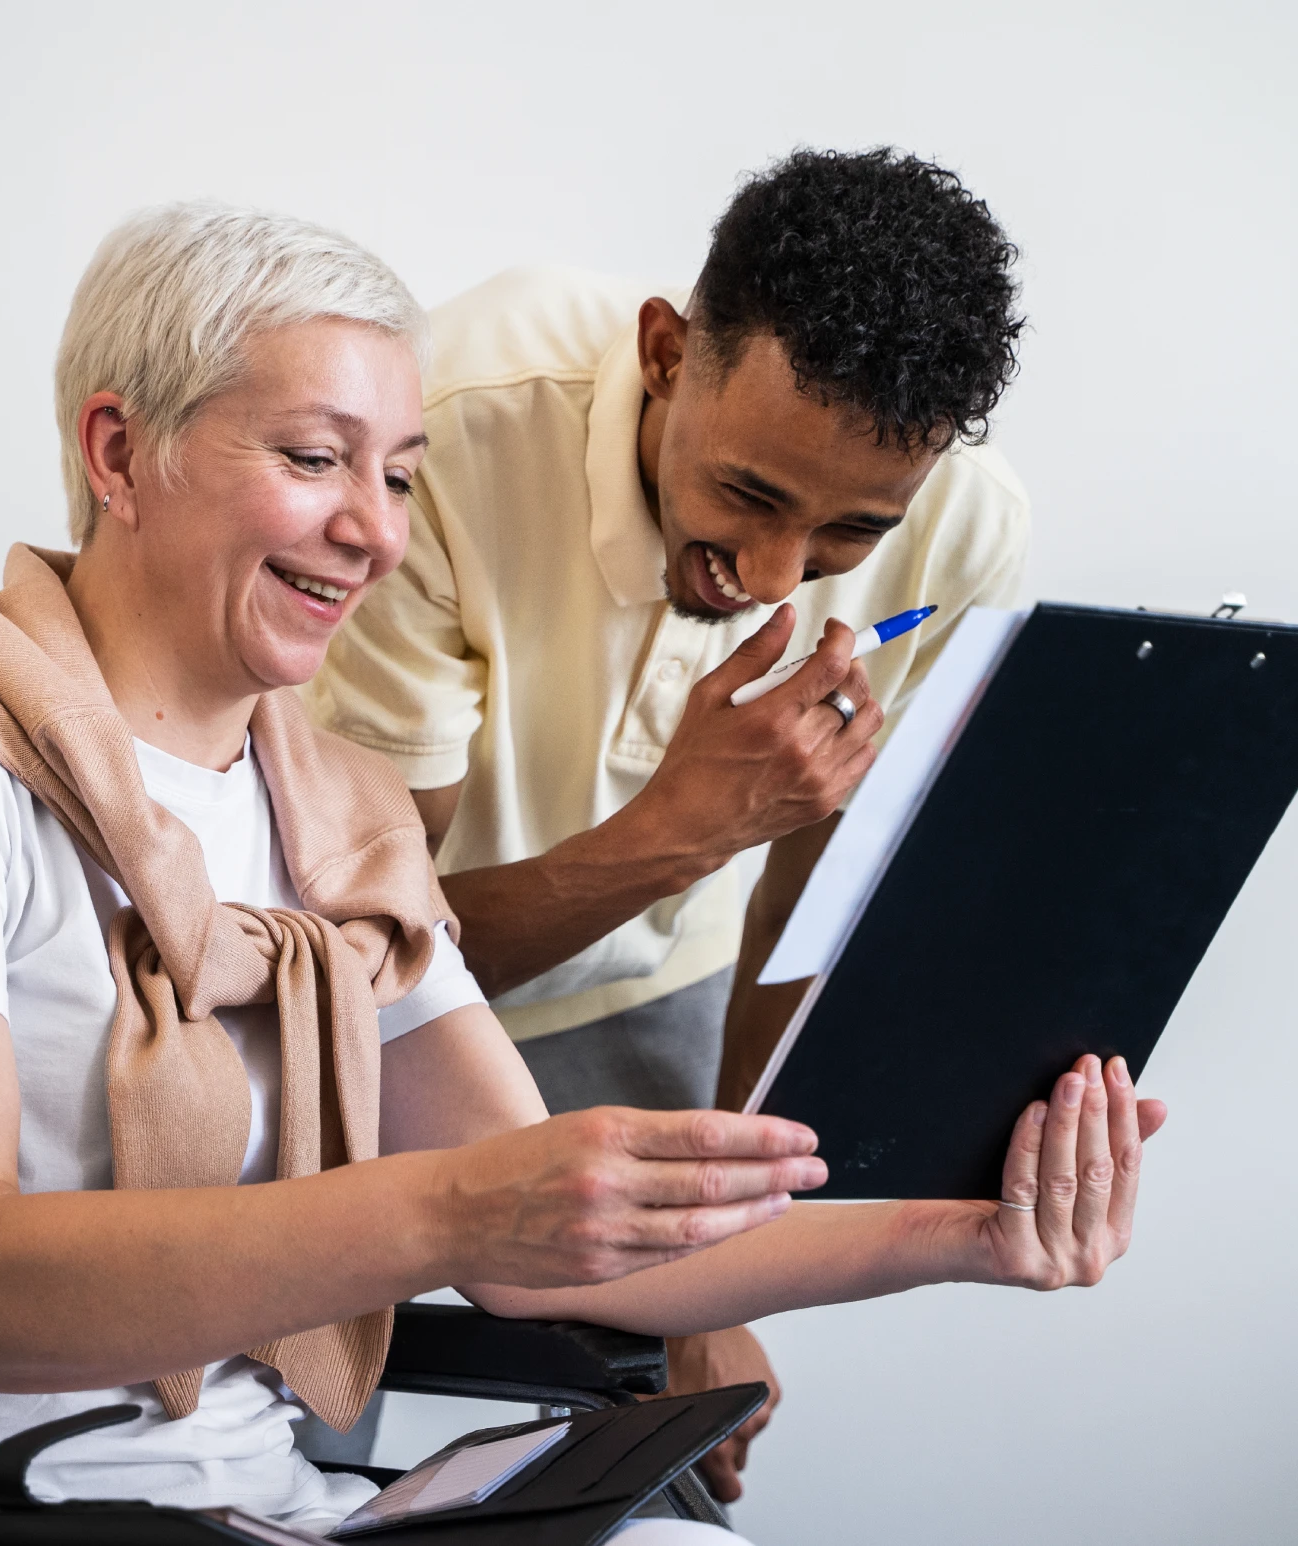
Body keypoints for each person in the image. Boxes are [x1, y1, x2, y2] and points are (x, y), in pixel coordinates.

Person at [0, 203, 1161, 1546]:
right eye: (315, 458)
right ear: (117, 451)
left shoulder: (339, 819)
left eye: (399, 476)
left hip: (245, 1501)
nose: (378, 531)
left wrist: (969, 1234)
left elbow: (563, 1257)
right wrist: (448, 1210)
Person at [307, 148, 1031, 1495]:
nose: (772, 578)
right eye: (751, 495)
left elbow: (810, 899)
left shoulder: (966, 538)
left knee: (667, 1450)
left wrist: (721, 1255)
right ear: (663, 351)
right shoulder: (447, 428)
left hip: (663, 996)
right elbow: (361, 966)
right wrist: (686, 826)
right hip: (399, 990)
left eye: (845, 534)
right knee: (299, 1418)